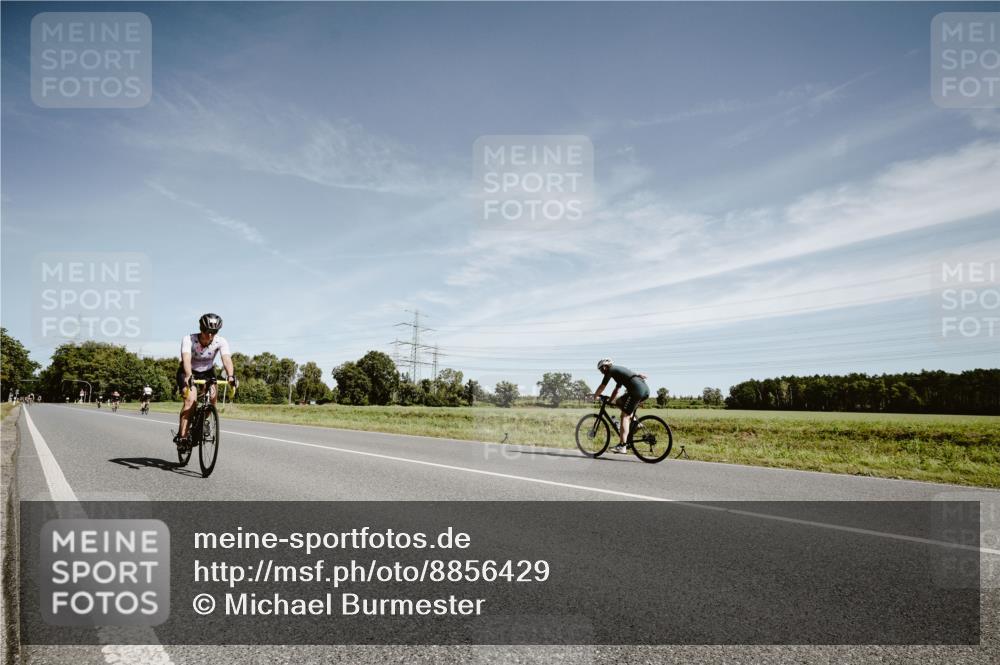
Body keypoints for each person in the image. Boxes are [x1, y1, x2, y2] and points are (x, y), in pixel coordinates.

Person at [174, 313, 236, 449]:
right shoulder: (189, 339)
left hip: (207, 372)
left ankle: (202, 422)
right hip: (188, 371)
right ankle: (183, 437)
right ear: (201, 329)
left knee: (213, 398)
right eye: (207, 331)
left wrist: (231, 376)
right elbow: (186, 358)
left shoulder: (221, 341)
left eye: (214, 332)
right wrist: (189, 375)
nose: (210, 336)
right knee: (191, 400)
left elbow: (226, 359)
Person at [593, 358, 650, 454]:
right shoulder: (617, 372)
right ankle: (636, 422)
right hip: (644, 390)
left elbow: (602, 386)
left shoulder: (610, 370)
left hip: (636, 391)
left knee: (624, 416)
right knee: (619, 402)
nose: (601, 372)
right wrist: (611, 401)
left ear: (604, 367)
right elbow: (616, 390)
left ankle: (622, 445)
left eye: (601, 370)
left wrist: (595, 396)